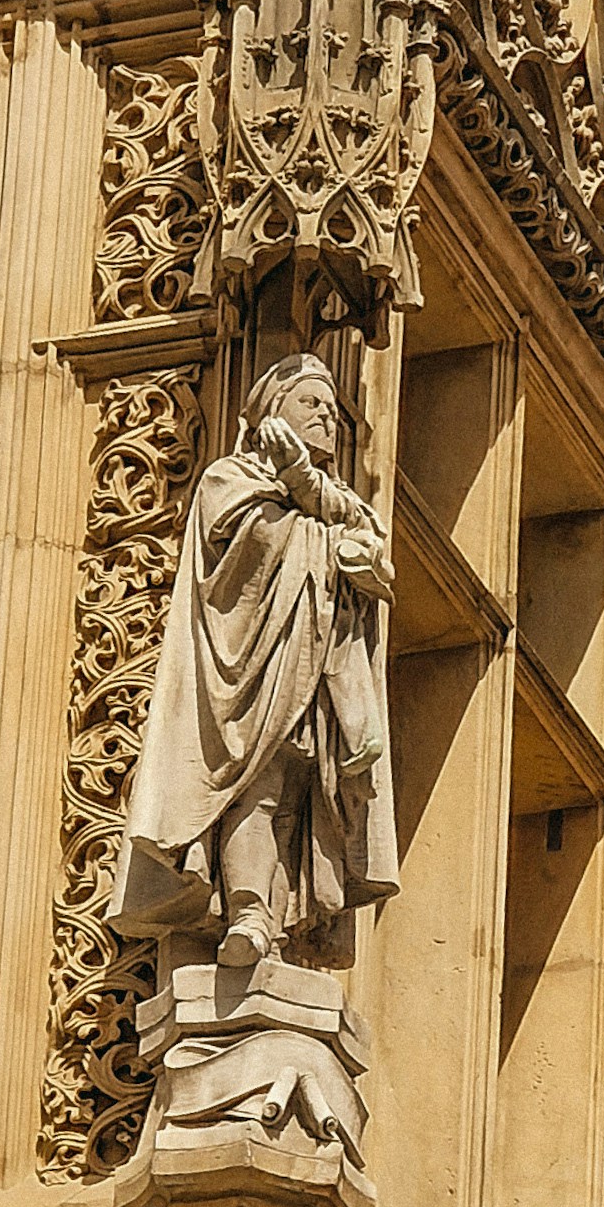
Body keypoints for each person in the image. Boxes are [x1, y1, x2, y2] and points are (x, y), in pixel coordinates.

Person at [110, 354, 399, 969]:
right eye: (310, 405)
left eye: (331, 410)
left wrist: (321, 509)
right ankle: (248, 912)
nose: (325, 418)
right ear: (274, 411)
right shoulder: (230, 479)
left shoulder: (341, 500)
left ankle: (288, 919)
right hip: (246, 675)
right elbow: (251, 543)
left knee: (300, 799)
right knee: (255, 794)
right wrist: (317, 523)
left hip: (317, 678)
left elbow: (373, 559)